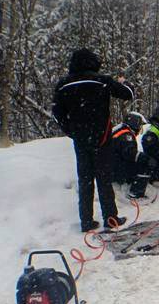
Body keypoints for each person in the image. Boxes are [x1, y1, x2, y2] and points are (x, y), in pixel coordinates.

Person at [52, 49, 134, 232]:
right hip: (102, 137)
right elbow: (128, 94)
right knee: (104, 179)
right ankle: (110, 218)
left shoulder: (63, 85)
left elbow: (57, 114)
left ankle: (86, 222)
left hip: (80, 140)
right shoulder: (101, 81)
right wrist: (123, 82)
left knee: (85, 180)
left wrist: (72, 131)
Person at [111, 111, 155, 199]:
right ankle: (135, 193)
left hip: (111, 167)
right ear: (135, 124)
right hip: (116, 170)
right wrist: (146, 158)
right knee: (145, 165)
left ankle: (131, 182)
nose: (140, 128)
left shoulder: (119, 131)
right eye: (139, 125)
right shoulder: (126, 134)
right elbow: (130, 153)